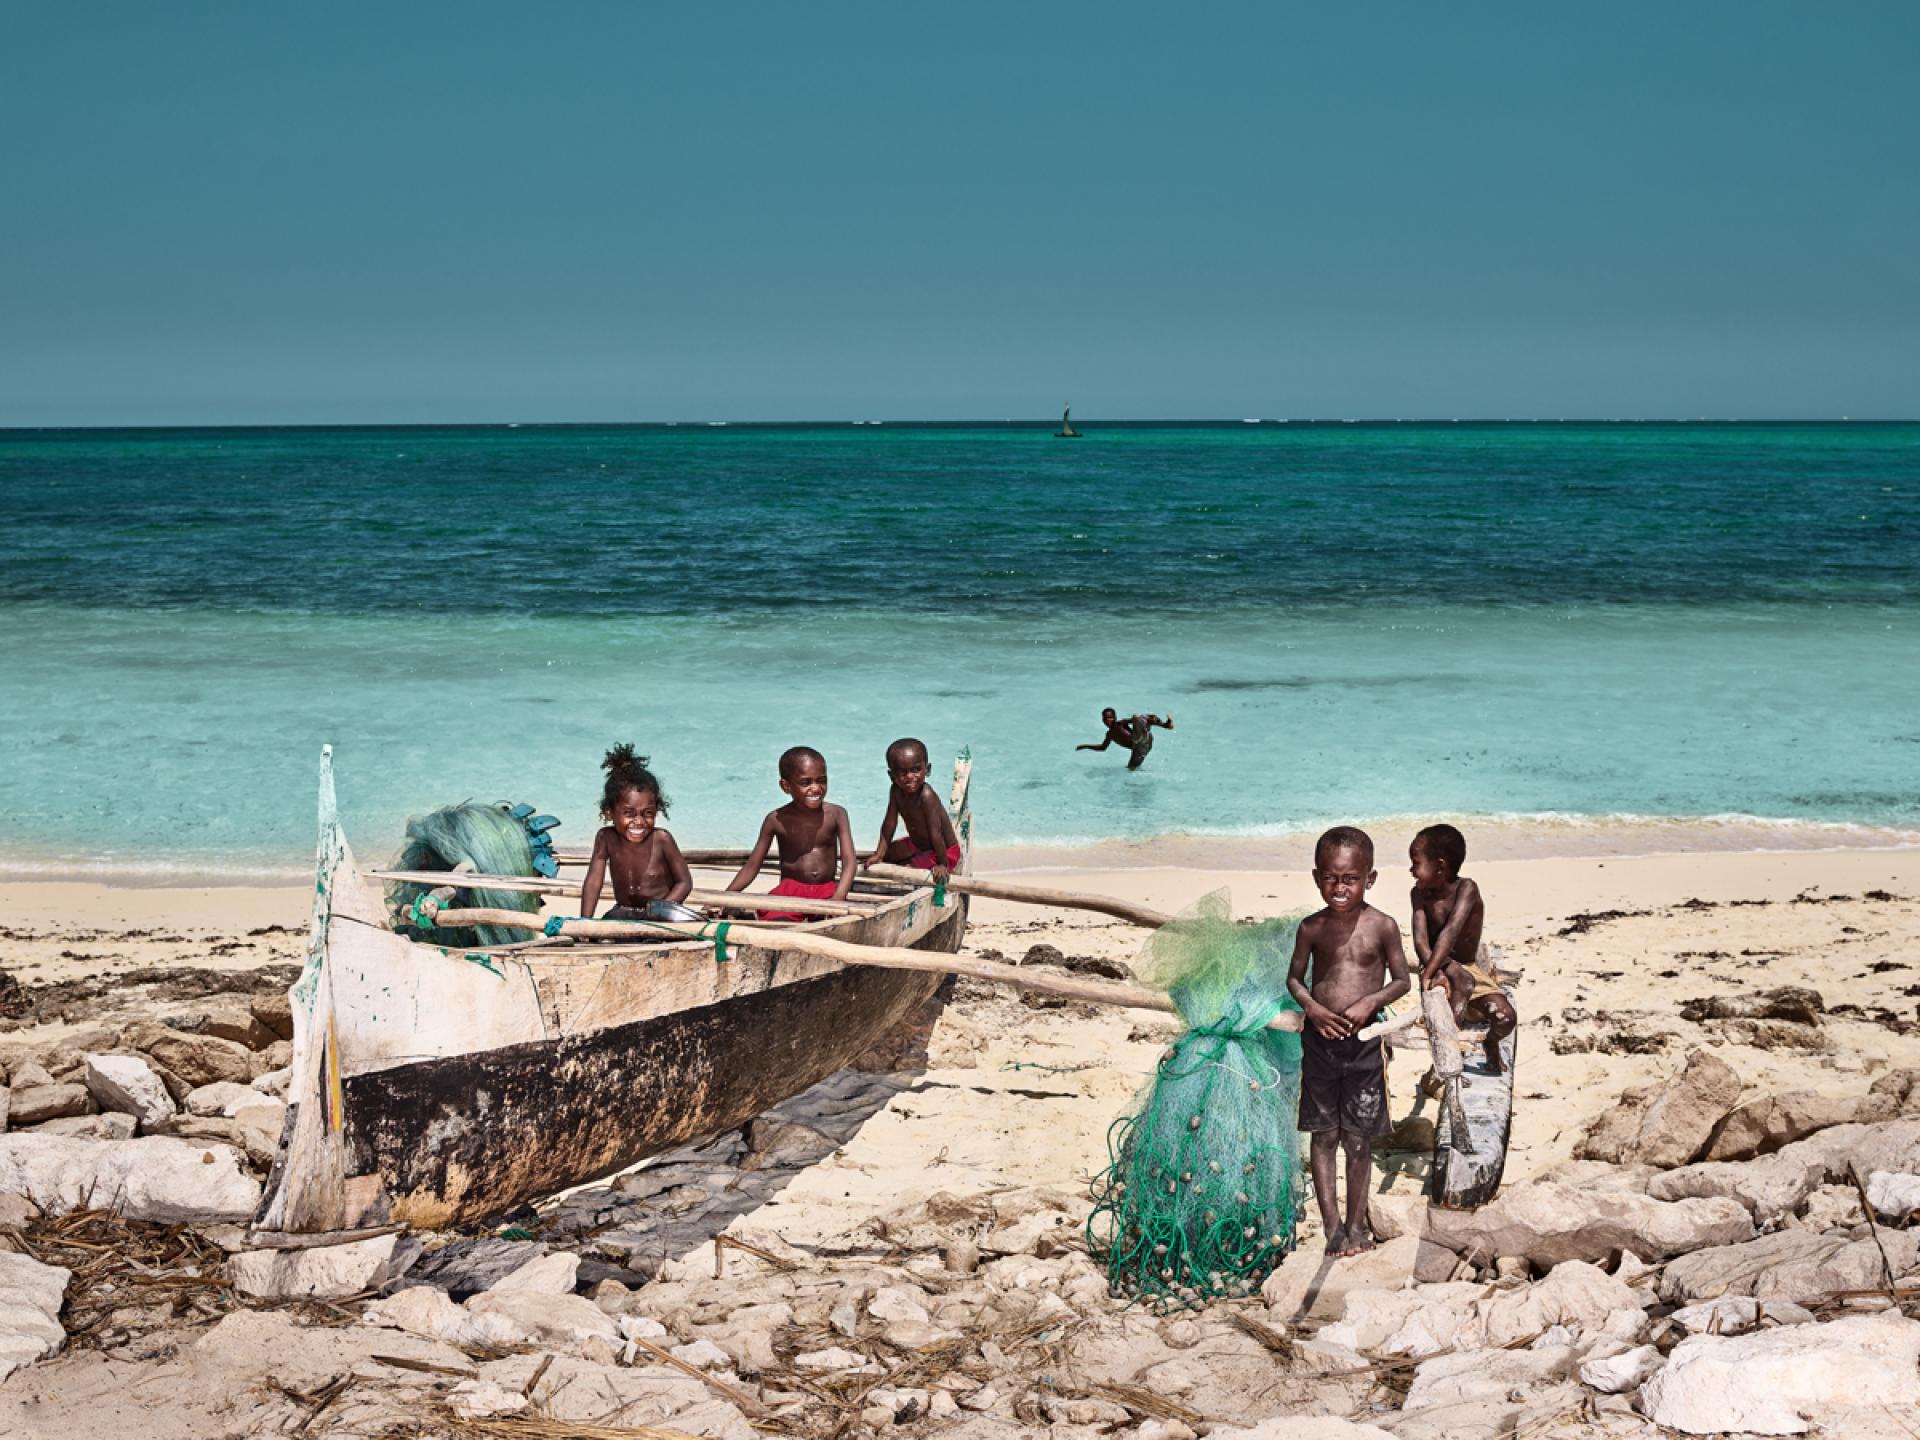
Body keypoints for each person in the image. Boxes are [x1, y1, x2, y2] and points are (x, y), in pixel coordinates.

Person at [1286, 825, 1411, 1258]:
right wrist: (1314, 1011)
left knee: (1358, 1140)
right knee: (1324, 1136)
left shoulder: (1383, 926)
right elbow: (1294, 980)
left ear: (1369, 879)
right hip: (1319, 1044)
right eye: (1330, 878)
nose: (1339, 888)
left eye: (1350, 879)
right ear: (1317, 876)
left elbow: (1401, 981)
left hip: (1363, 1045)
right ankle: (1332, 1228)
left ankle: (1358, 1228)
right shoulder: (1312, 927)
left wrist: (1370, 1002)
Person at [1410, 823, 1517, 1073]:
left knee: (1506, 1018)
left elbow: (1451, 932)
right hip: (1436, 966)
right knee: (1459, 987)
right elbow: (1420, 942)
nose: (1411, 870)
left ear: (1440, 866)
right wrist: (1435, 971)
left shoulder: (1466, 888)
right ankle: (1445, 1064)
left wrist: (1450, 968)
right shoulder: (1419, 895)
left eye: (1416, 863)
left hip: (1466, 967)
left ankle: (1490, 1045)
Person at [727, 746, 857, 921]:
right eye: (806, 783)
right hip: (789, 892)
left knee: (829, 922)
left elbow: (849, 862)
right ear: (785, 786)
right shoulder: (775, 820)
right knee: (779, 923)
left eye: (822, 780)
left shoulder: (837, 814)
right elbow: (752, 866)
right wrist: (728, 896)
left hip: (827, 891)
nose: (816, 788)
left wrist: (839, 896)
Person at [579, 745, 693, 921]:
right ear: (610, 812)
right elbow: (594, 882)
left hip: (661, 916)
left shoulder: (661, 839)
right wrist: (584, 921)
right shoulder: (606, 838)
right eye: (629, 813)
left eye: (648, 813)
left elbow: (684, 882)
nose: (639, 822)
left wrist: (661, 911)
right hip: (623, 912)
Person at [866, 737, 961, 883]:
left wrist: (942, 864)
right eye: (903, 773)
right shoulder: (896, 791)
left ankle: (920, 862)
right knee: (888, 855)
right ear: (892, 776)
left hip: (943, 851)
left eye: (916, 770)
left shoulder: (927, 796)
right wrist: (880, 853)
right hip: (919, 845)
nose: (910, 777)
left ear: (927, 770)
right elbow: (889, 824)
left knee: (906, 870)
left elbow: (936, 833)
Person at [1076, 707, 1174, 770]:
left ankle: (1166, 725)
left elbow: (1136, 720)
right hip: (1139, 750)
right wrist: (1085, 746)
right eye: (1105, 719)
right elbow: (1103, 748)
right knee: (1130, 770)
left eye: (1110, 718)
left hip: (1143, 738)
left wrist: (1163, 725)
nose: (1108, 721)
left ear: (1115, 718)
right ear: (1102, 720)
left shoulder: (1120, 724)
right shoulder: (1109, 734)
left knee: (1137, 717)